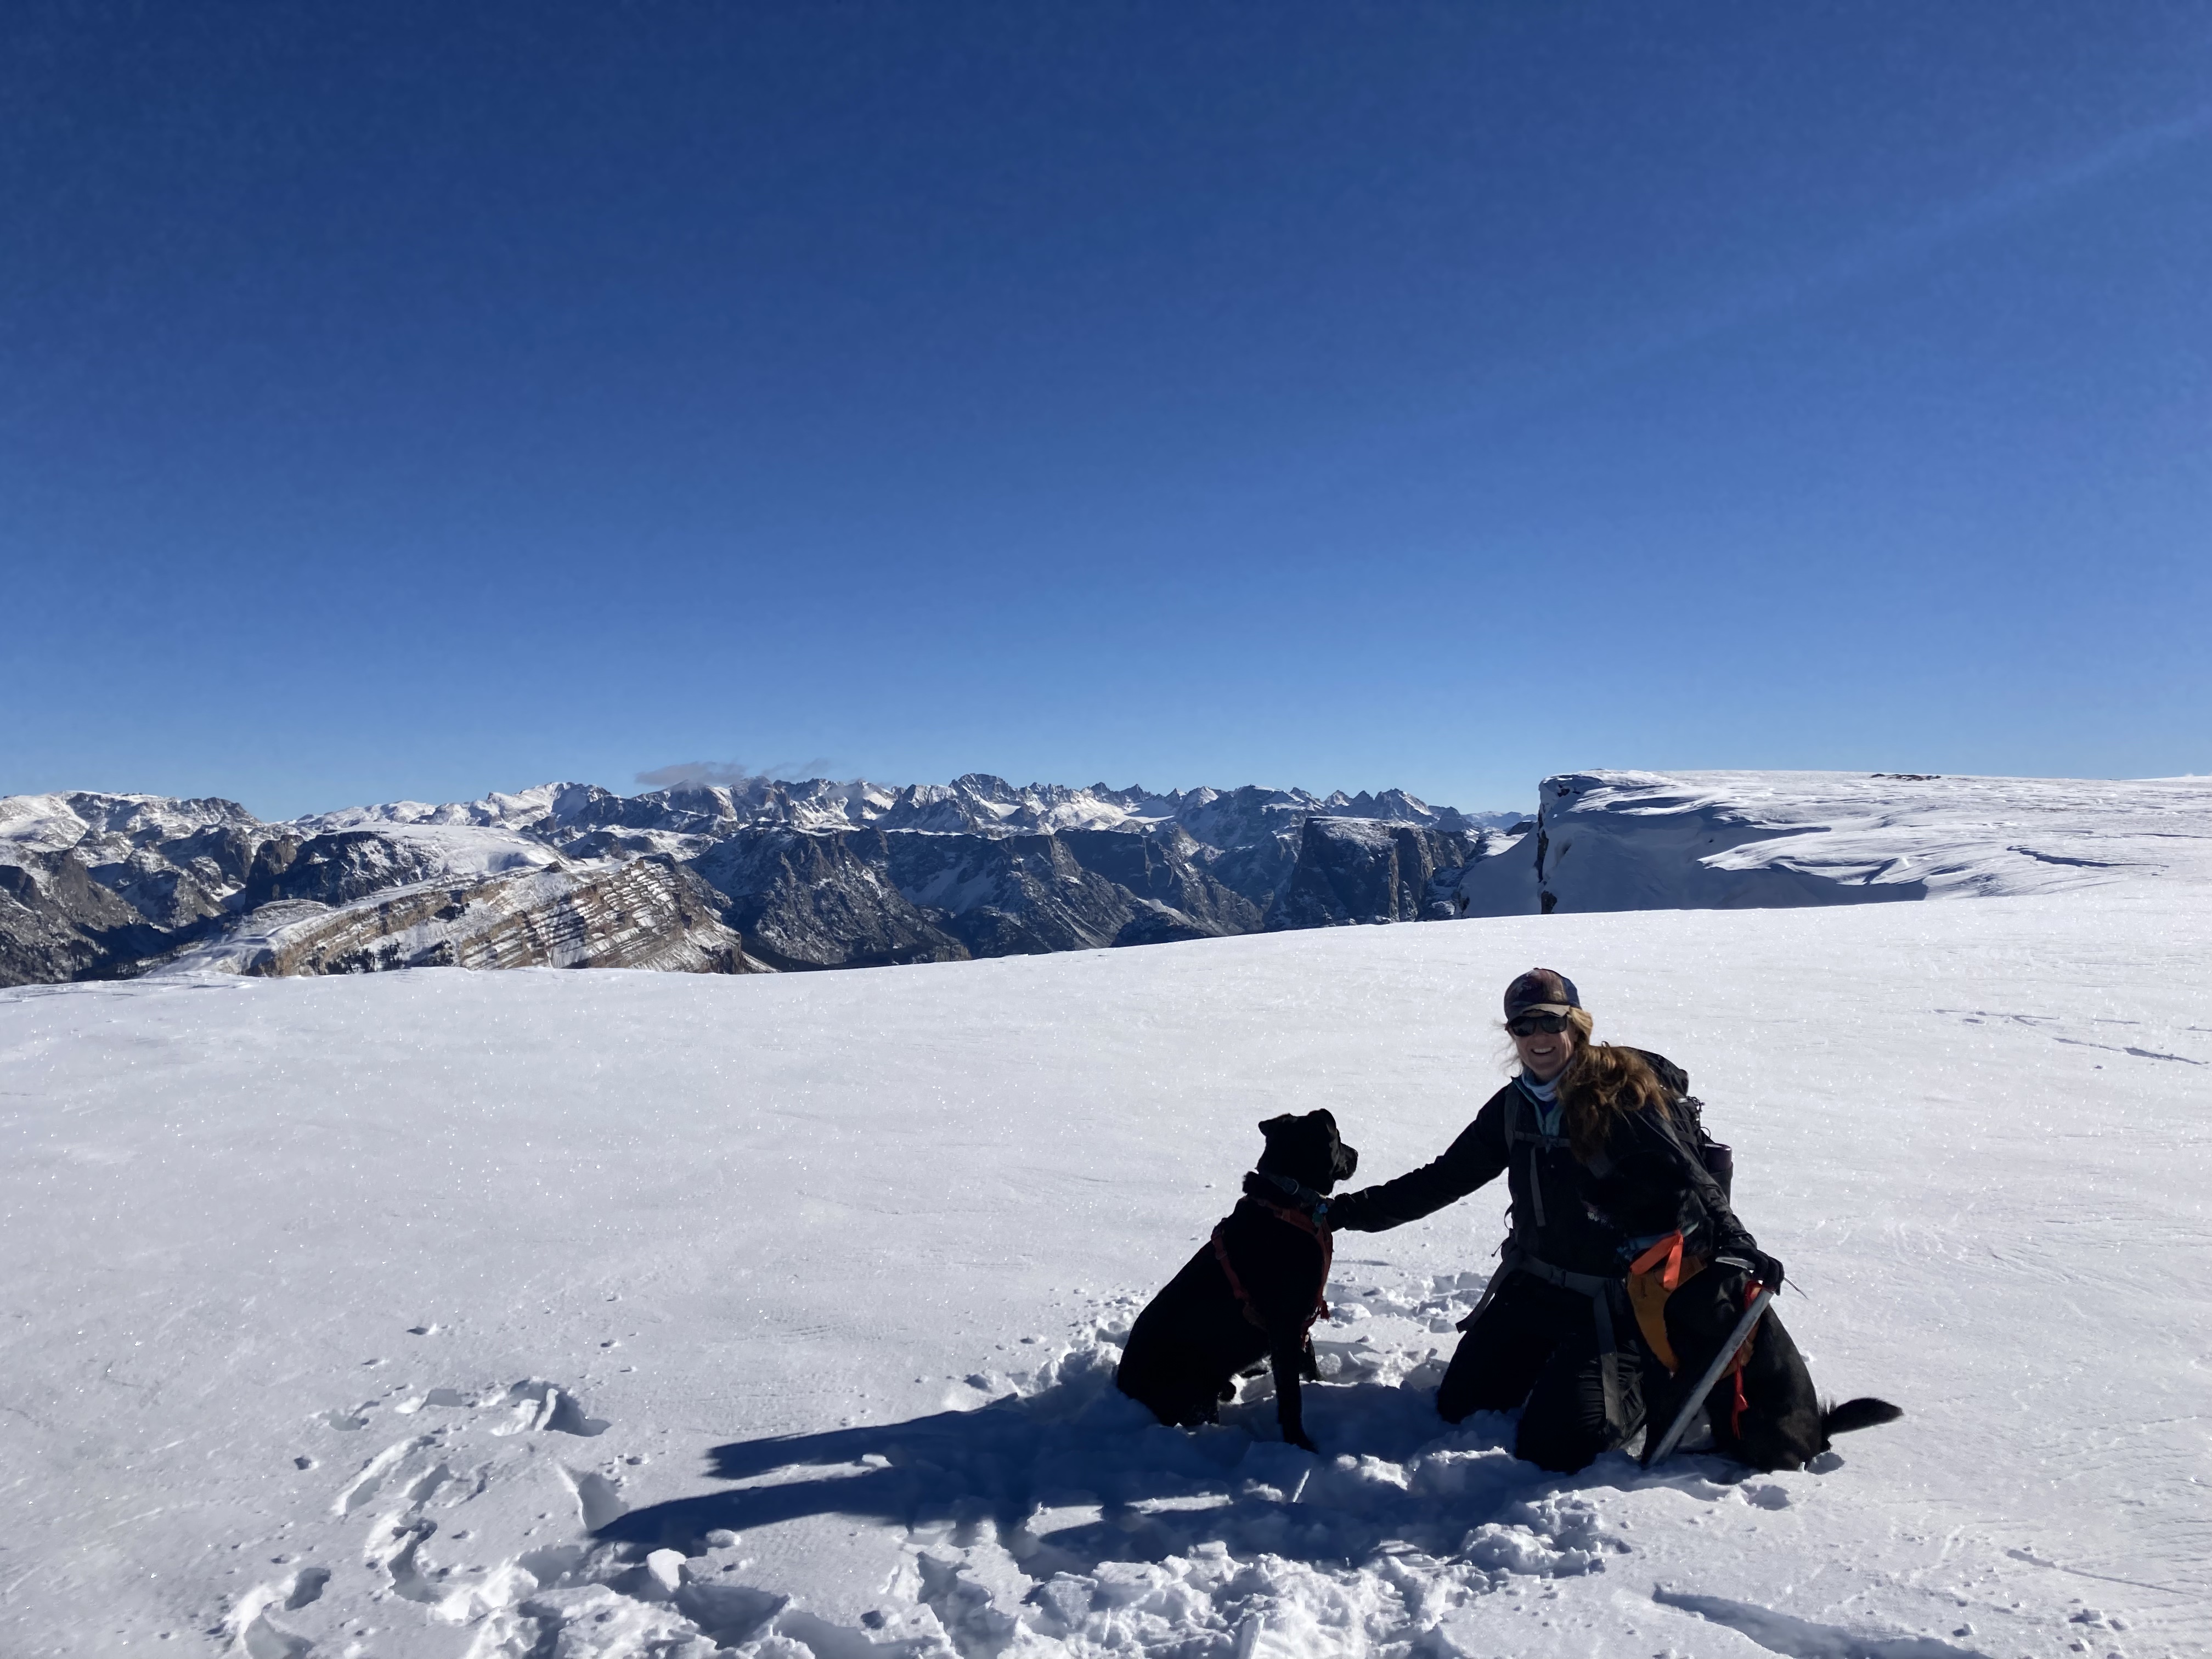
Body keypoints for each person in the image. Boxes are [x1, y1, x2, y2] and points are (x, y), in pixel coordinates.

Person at [1326, 968, 1784, 1472]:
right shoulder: (1514, 1108)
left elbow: (1691, 1174)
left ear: (1576, 1026)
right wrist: (1341, 1214)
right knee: (1461, 1404)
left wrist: (1737, 1238)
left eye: (1549, 1022)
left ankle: (1651, 1382)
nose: (1537, 1038)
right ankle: (1564, 1367)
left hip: (1620, 1299)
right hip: (1538, 1287)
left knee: (1564, 1441)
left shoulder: (1623, 1098)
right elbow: (1443, 1179)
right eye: (1522, 1027)